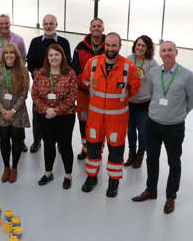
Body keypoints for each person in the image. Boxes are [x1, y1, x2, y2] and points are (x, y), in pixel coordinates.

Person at [132, 41, 193, 214]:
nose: (166, 53)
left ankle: (170, 197)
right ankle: (151, 190)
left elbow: (191, 100)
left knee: (174, 162)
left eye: (170, 50)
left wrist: (179, 113)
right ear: (160, 53)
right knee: (151, 159)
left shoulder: (187, 75)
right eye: (163, 50)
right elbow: (152, 93)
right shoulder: (153, 72)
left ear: (176, 52)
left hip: (174, 127)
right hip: (152, 123)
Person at [81, 33, 141, 197]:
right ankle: (91, 177)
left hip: (117, 120)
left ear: (120, 46)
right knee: (92, 149)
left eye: (114, 46)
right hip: (95, 118)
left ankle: (113, 181)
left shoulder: (129, 67)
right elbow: (86, 82)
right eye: (107, 45)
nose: (110, 48)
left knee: (115, 152)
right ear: (104, 45)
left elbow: (135, 88)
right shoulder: (92, 63)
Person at [31, 44, 77, 189]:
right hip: (45, 116)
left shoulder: (70, 73)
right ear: (47, 58)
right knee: (48, 144)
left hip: (65, 116)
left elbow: (72, 96)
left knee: (65, 146)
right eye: (51, 55)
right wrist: (46, 109)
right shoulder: (40, 73)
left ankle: (68, 175)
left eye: (57, 54)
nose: (54, 57)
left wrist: (55, 110)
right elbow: (35, 95)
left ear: (62, 56)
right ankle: (48, 172)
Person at [26, 14, 71, 153]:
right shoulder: (35, 42)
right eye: (46, 24)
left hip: (59, 87)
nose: (48, 26)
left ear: (56, 25)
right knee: (38, 114)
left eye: (51, 23)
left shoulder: (64, 42)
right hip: (41, 88)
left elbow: (68, 63)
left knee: (58, 113)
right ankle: (37, 140)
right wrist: (38, 76)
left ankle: (58, 141)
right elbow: (30, 63)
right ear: (43, 25)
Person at [0, 14, 27, 151]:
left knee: (17, 107)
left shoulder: (18, 40)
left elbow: (23, 58)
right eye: (1, 23)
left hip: (15, 78)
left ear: (10, 23)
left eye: (6, 23)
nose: (4, 26)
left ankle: (20, 140)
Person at [0, 44, 30, 183]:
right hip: (0, 111)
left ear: (16, 55)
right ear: (3, 55)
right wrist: (2, 110)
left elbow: (24, 93)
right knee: (4, 139)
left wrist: (12, 111)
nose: (9, 55)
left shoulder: (23, 70)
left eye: (12, 53)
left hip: (17, 112)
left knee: (17, 139)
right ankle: (6, 167)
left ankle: (14, 167)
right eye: (6, 53)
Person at [70, 18, 105, 160]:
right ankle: (85, 149)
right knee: (84, 122)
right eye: (94, 26)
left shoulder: (108, 46)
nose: (96, 28)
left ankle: (97, 151)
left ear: (103, 28)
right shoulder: (80, 47)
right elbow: (76, 69)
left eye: (99, 26)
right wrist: (86, 85)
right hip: (83, 93)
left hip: (102, 94)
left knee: (99, 123)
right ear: (90, 28)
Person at [124, 35, 158, 169]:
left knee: (143, 132)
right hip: (129, 103)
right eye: (138, 44)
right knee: (130, 131)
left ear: (148, 48)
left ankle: (140, 155)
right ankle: (131, 153)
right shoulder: (128, 59)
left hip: (144, 104)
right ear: (135, 46)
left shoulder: (152, 64)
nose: (140, 47)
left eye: (143, 45)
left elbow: (156, 85)